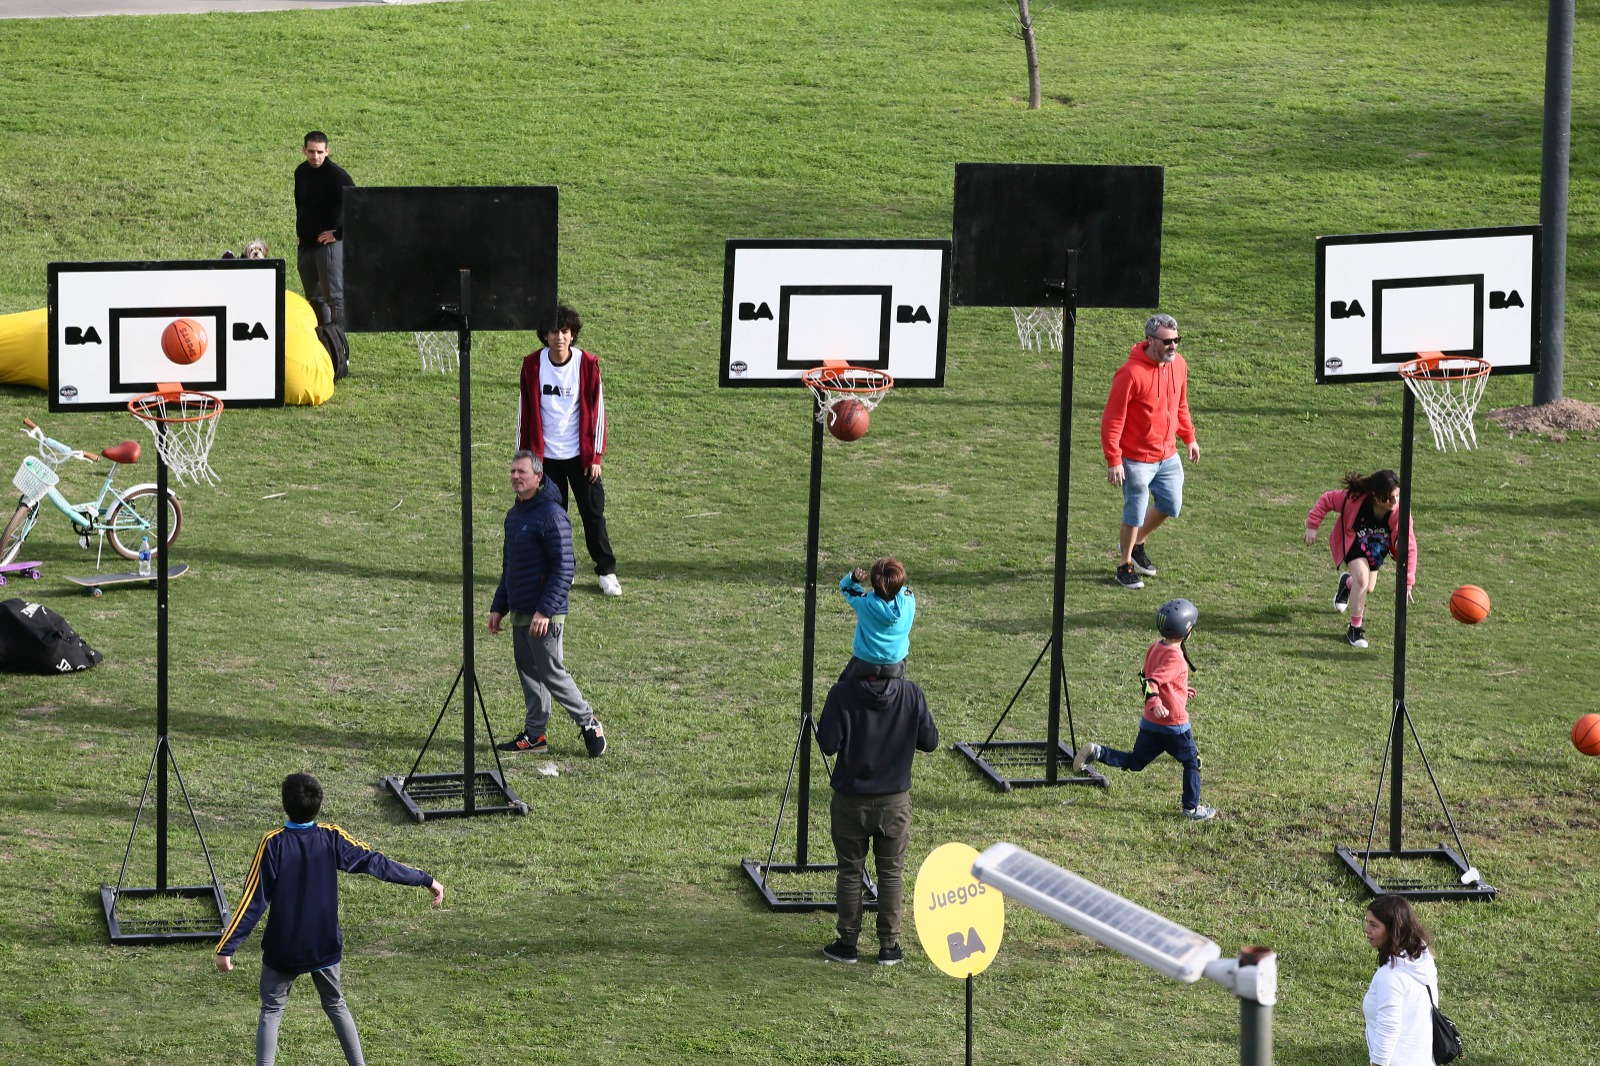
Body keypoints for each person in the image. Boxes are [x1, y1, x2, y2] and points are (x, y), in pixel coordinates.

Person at [214, 773, 444, 1066]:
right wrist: (424, 879)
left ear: (284, 806)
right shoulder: (331, 836)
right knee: (336, 1004)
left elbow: (252, 900)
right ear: (318, 806)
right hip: (324, 945)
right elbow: (377, 863)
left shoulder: (272, 843)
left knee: (272, 1011)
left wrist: (227, 946)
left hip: (284, 949)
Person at [488, 450, 607, 757]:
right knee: (529, 673)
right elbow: (510, 567)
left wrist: (546, 609)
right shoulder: (514, 516)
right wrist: (499, 606)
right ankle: (535, 735)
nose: (515, 476)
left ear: (538, 477)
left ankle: (589, 722)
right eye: (513, 471)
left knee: (551, 672)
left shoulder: (552, 514)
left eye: (522, 472)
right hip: (521, 610)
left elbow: (565, 567)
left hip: (545, 614)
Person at [816, 672, 939, 966]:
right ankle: (889, 946)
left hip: (850, 802)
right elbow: (930, 741)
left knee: (849, 872)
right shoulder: (911, 693)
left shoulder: (842, 693)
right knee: (891, 873)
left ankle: (847, 944)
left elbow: (828, 743)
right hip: (894, 803)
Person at [1073, 598, 1216, 821]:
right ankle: (1191, 809)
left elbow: (1145, 675)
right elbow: (1151, 682)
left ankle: (1098, 752)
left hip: (1151, 723)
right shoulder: (1176, 658)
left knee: (1136, 762)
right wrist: (1157, 702)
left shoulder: (1156, 647)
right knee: (1192, 762)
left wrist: (1179, 691)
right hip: (1174, 725)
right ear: (1187, 631)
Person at [516, 304, 621, 596]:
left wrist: (595, 456)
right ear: (545, 336)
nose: (559, 337)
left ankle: (606, 571)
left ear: (572, 335)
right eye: (554, 332)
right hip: (545, 459)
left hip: (580, 458)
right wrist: (526, 460)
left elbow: (598, 412)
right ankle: (564, 570)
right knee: (553, 518)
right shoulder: (532, 365)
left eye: (565, 332)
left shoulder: (586, 364)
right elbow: (524, 413)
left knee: (593, 515)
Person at [1101, 313, 1200, 590]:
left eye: (1176, 340)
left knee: (1171, 504)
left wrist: (1189, 438)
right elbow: (1112, 419)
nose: (1173, 346)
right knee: (1135, 510)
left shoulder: (1179, 365)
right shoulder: (1130, 374)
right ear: (1151, 340)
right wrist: (1114, 459)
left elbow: (1181, 405)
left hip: (1167, 455)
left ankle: (1137, 543)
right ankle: (1124, 565)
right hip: (1135, 459)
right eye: (1168, 341)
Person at [1303, 469, 1417, 649]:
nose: (1394, 501)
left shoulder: (1399, 512)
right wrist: (1312, 525)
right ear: (1375, 495)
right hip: (1353, 542)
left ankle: (1346, 584)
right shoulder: (1353, 499)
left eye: (1397, 495)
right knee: (1362, 579)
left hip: (1376, 550)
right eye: (1389, 497)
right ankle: (1355, 628)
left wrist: (1407, 581)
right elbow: (1327, 499)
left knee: (1367, 588)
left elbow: (1409, 546)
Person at [1362, 894, 1440, 1066]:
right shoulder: (1422, 959)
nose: (1367, 930)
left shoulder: (1390, 976)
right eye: (1368, 922)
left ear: (1392, 930)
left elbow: (1388, 1028)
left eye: (1374, 925)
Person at [294, 131, 354, 329]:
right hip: (306, 247)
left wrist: (338, 235)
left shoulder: (337, 176)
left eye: (320, 151)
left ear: (327, 151)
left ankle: (339, 352)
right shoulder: (300, 172)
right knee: (314, 299)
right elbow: (301, 204)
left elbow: (356, 205)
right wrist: (301, 233)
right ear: (304, 150)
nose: (315, 156)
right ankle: (322, 345)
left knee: (335, 300)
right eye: (311, 151)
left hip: (327, 247)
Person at [837, 558, 915, 681]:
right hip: (895, 663)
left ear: (873, 583)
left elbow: (845, 586)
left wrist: (853, 578)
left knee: (842, 691)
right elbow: (902, 589)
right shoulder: (908, 599)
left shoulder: (865, 603)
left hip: (865, 662)